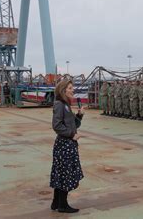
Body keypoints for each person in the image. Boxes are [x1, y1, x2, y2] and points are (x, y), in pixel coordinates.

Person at [50, 80, 84, 213]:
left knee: (61, 173)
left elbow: (73, 124)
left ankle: (56, 203)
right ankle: (63, 205)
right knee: (65, 173)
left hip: (67, 144)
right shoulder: (60, 104)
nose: (72, 90)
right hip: (65, 144)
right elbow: (57, 126)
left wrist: (79, 115)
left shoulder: (66, 104)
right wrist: (71, 135)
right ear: (63, 90)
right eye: (70, 88)